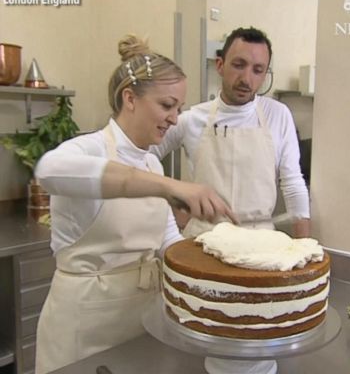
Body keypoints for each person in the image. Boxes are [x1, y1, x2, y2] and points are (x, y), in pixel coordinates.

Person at [34, 34, 236, 374]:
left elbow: (168, 243)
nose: (175, 119)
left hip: (142, 321)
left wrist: (219, 257)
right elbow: (48, 171)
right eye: (167, 105)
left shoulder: (152, 164)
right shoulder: (88, 149)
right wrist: (171, 186)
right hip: (84, 329)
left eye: (180, 109)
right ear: (130, 98)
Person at [151, 26, 310, 239]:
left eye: (257, 70)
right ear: (220, 65)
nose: (246, 78)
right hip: (204, 240)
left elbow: (292, 183)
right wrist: (172, 211)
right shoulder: (192, 119)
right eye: (238, 65)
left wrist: (304, 248)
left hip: (259, 241)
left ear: (265, 75)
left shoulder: (278, 115)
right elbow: (142, 158)